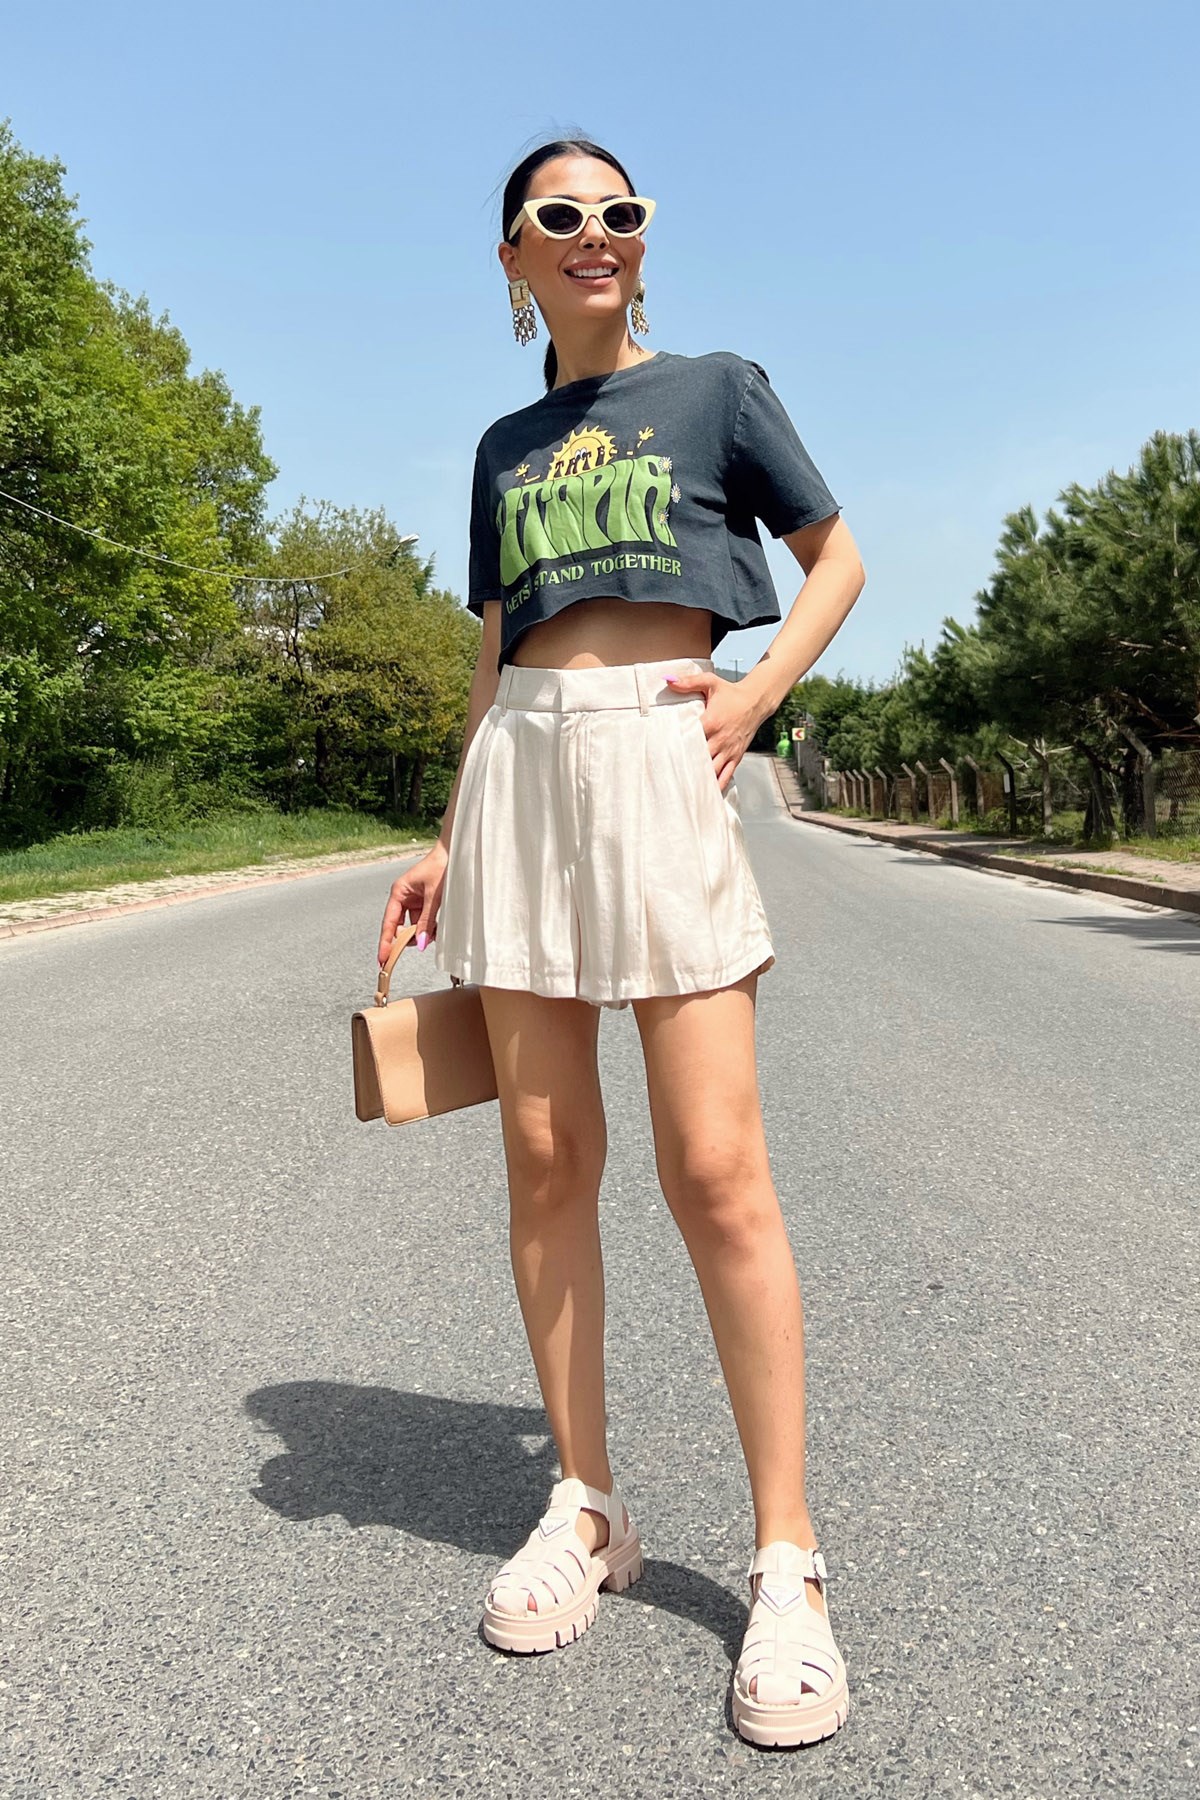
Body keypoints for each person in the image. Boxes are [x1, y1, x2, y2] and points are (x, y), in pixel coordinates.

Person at [377, 137, 866, 1750]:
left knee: (714, 1166)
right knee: (541, 1151)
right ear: (514, 259)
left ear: (643, 243)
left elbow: (838, 560)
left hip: (664, 753)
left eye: (621, 213)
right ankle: (585, 1503)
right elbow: (495, 646)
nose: (596, 233)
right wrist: (448, 830)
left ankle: (786, 1559)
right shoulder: (504, 446)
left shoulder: (718, 390)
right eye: (561, 217)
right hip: (521, 768)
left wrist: (755, 694)